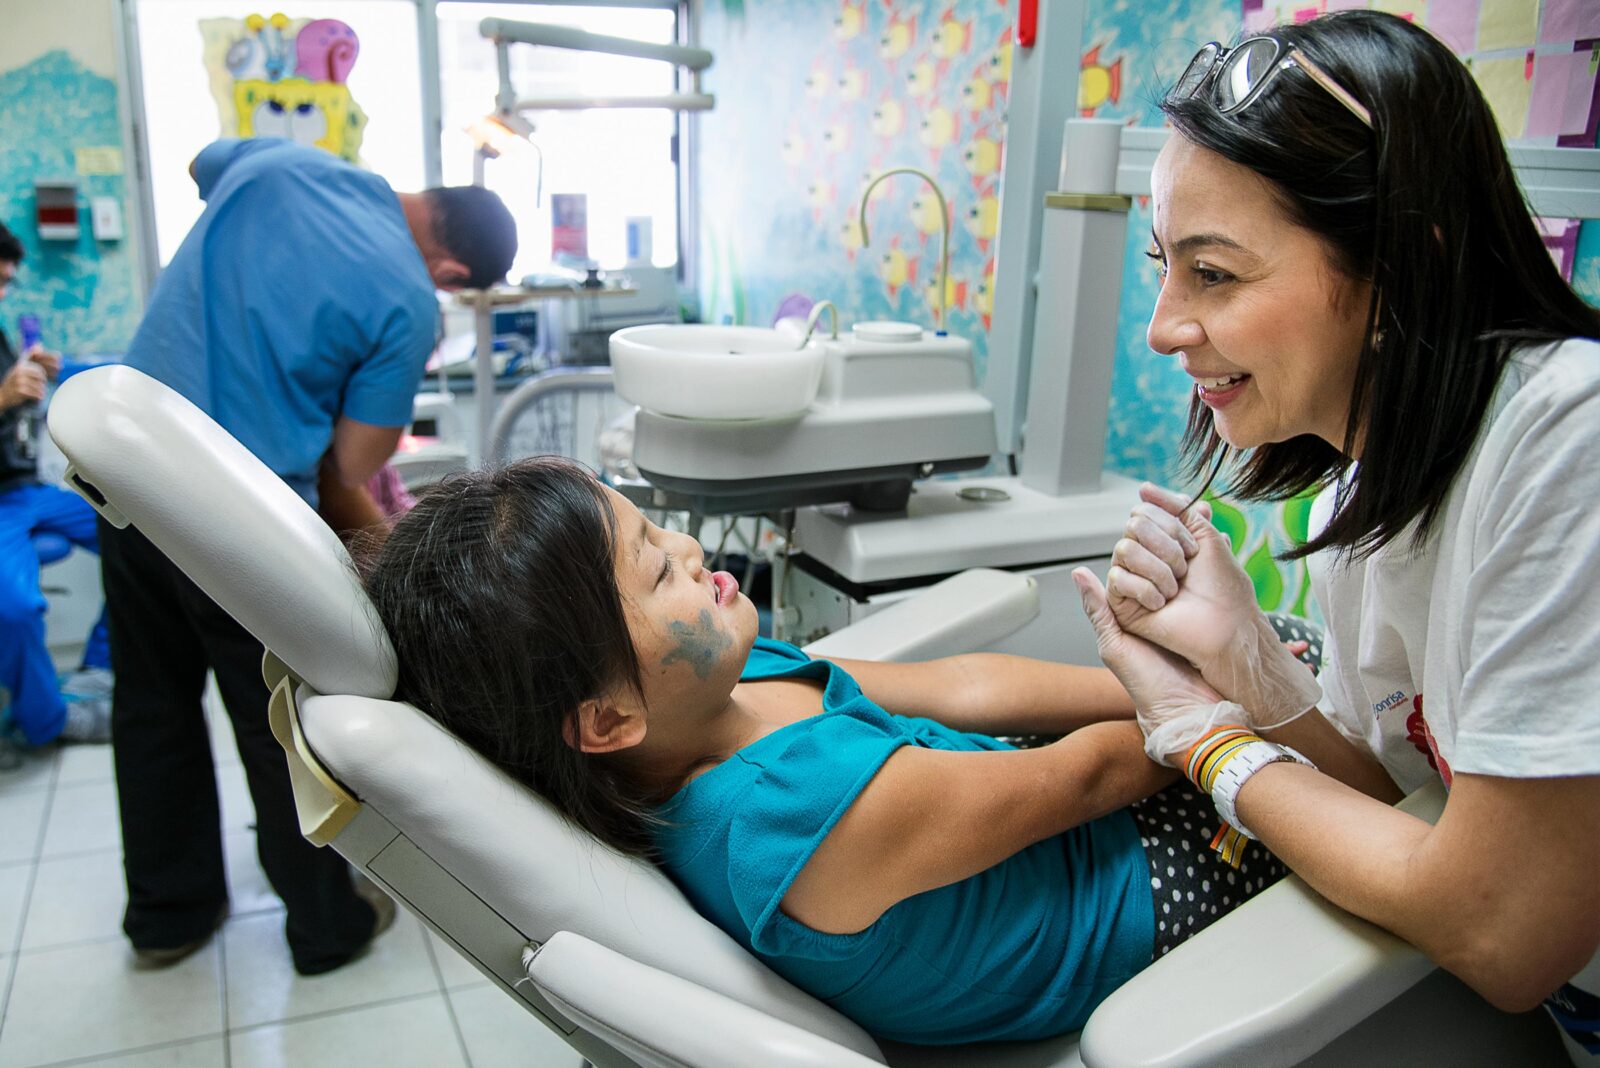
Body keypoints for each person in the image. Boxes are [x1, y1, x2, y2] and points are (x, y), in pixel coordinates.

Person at [1070, 11, 1600, 1062]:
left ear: (1400, 267)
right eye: (1163, 265)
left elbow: (1504, 932)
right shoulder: (1366, 490)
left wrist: (1205, 737)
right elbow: (1409, 809)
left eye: (1213, 274)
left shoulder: (1568, 440)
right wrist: (1249, 673)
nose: (1164, 324)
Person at [357, 456, 1292, 1044]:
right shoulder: (790, 819)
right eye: (653, 568)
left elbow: (964, 688)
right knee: (1320, 721)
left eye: (653, 529)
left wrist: (1182, 680)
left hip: (1050, 812)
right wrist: (1224, 704)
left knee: (1283, 655)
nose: (687, 547)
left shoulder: (721, 683)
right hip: (1117, 905)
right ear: (604, 720)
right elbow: (1082, 776)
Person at [100, 137, 516, 975]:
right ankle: (325, 925)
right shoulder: (407, 301)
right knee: (275, 724)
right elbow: (348, 470)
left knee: (150, 704)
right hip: (232, 516)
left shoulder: (277, 163)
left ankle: (167, 917)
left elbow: (198, 167)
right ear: (445, 267)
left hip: (122, 462)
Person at [0, 220, 114, 769]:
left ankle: (99, 668)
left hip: (26, 490)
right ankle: (45, 722)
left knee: (142, 534)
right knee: (15, 609)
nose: (2, 293)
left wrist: (51, 370)